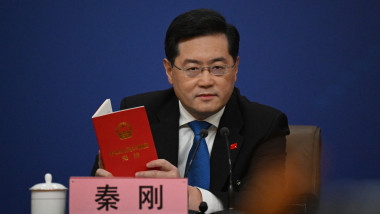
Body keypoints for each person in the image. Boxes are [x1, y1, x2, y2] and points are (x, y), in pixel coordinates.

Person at [92, 9, 289, 213]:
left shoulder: (265, 125)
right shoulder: (137, 114)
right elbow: (99, 197)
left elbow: (266, 204)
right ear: (169, 71)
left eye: (218, 68)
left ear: (236, 68)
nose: (206, 81)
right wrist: (106, 186)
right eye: (192, 69)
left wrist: (193, 197)